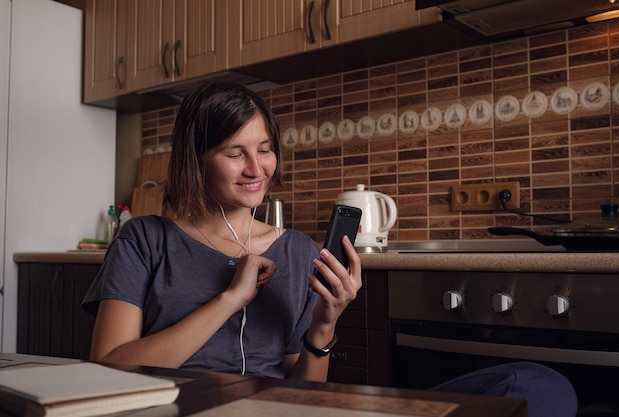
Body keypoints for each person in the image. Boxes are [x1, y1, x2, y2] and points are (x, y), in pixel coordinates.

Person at [82, 81, 576, 416]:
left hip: (282, 410)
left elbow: (306, 392)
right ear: (197, 159)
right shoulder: (145, 239)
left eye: (265, 148)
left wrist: (325, 323)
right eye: (235, 152)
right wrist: (230, 299)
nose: (257, 168)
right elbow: (111, 368)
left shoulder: (296, 250)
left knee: (540, 386)